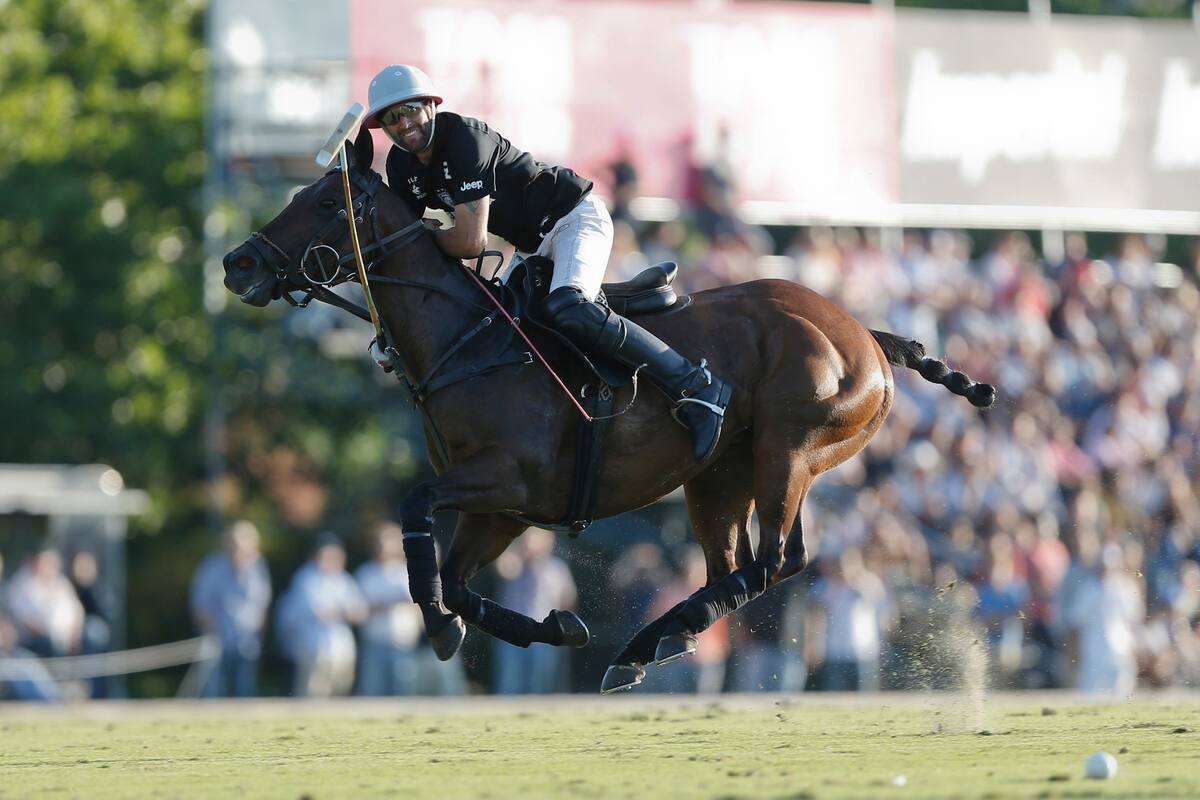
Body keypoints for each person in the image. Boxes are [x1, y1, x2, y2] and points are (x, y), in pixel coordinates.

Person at [363, 64, 731, 464]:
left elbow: (470, 242)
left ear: (431, 106)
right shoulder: (401, 166)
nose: (402, 124)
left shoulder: (464, 139)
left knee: (571, 306)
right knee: (493, 327)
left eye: (409, 111)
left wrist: (426, 236)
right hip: (531, 247)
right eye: (390, 118)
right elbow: (405, 253)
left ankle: (695, 384)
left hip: (573, 216)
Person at [189, 520, 273, 698]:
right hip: (218, 641)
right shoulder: (213, 567)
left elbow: (262, 606)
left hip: (248, 643)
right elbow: (201, 603)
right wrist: (210, 630)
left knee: (245, 691)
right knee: (214, 693)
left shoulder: (258, 569)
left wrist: (261, 637)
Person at [278, 534, 366, 698]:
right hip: (314, 647)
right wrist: (343, 611)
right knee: (313, 693)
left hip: (342, 649)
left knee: (340, 692)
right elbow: (319, 612)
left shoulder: (344, 580)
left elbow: (359, 613)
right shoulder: (306, 578)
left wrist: (341, 612)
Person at [354, 522, 422, 696]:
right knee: (372, 690)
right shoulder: (365, 573)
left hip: (403, 642)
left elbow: (417, 604)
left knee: (404, 689)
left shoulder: (407, 571)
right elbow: (359, 609)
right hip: (374, 642)